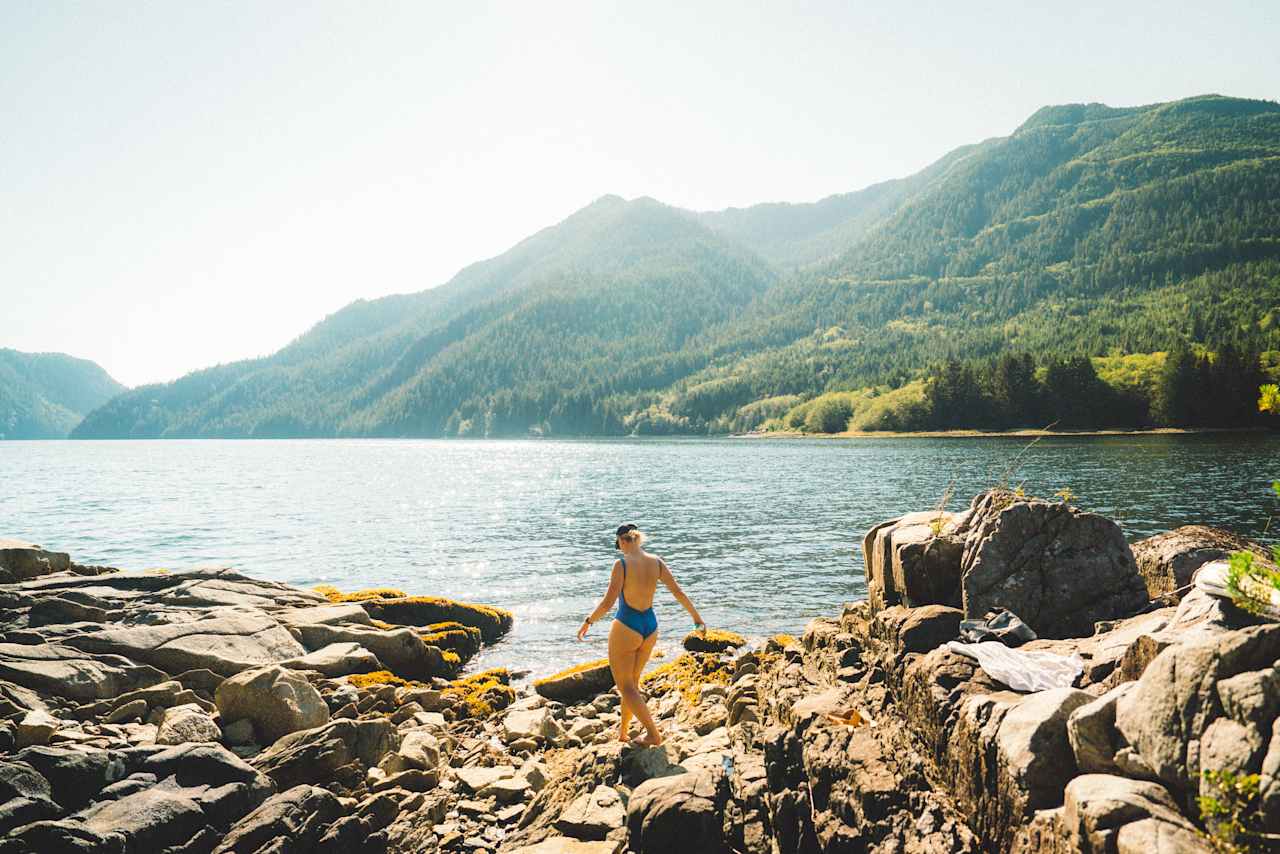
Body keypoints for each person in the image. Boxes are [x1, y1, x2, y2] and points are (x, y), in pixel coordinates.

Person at [577, 523, 705, 746]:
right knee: (632, 683)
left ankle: (653, 734)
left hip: (627, 625)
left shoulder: (622, 564)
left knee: (625, 686)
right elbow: (678, 591)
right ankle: (624, 732)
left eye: (618, 545)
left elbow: (608, 603)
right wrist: (696, 618)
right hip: (650, 626)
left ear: (624, 541)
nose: (619, 549)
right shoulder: (656, 562)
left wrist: (589, 621)